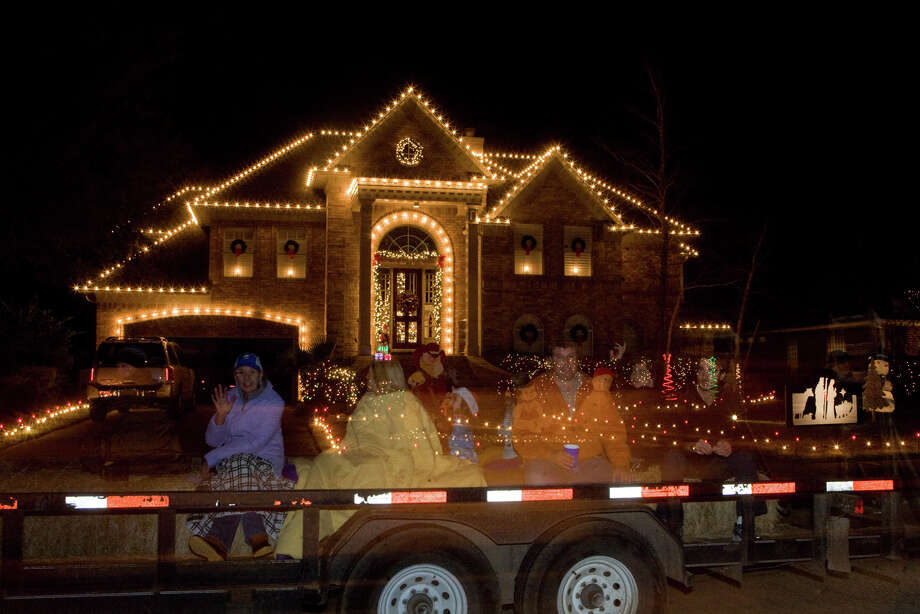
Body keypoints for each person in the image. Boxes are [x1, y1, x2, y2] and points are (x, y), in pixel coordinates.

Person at [274, 357, 485, 557]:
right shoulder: (367, 402)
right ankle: (294, 544)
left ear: (383, 376)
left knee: (341, 469)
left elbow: (419, 446)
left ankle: (298, 544)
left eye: (371, 375)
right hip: (360, 460)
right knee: (325, 466)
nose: (367, 379)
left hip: (390, 465)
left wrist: (422, 465)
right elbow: (353, 440)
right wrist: (351, 454)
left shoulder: (405, 402)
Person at [186, 352, 293, 561]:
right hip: (236, 465)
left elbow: (255, 443)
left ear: (261, 374)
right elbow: (213, 440)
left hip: (265, 463)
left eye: (252, 372)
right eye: (241, 372)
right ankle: (256, 541)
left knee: (241, 463)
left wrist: (211, 458)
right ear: (235, 375)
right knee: (239, 467)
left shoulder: (273, 402)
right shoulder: (232, 398)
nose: (246, 378)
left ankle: (220, 540)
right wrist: (221, 416)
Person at [512, 343, 631, 485]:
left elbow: (613, 430)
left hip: (589, 460)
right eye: (559, 358)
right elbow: (521, 436)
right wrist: (551, 455)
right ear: (550, 361)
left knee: (614, 484)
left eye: (571, 357)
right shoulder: (534, 391)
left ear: (578, 359)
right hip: (547, 462)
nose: (566, 363)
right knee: (537, 478)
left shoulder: (596, 389)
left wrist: (621, 465)